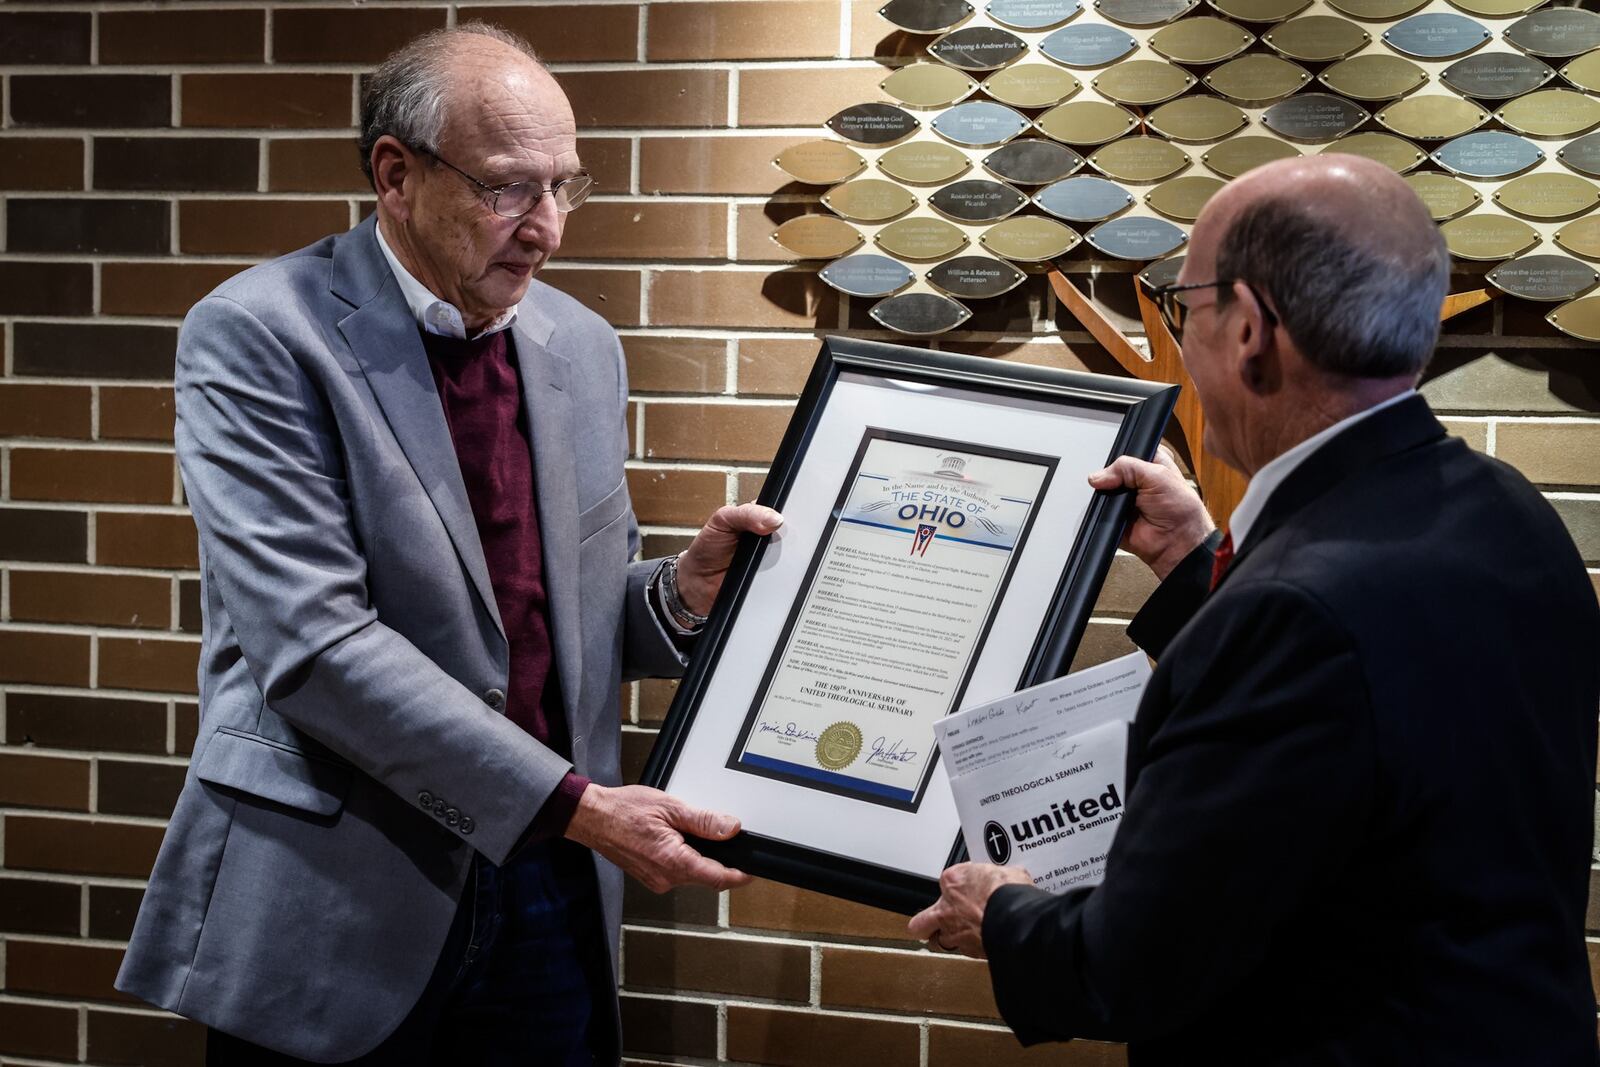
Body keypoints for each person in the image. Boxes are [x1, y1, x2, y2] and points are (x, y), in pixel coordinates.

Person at [114, 23, 781, 1066]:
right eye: (509, 189)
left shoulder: (580, 345)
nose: (547, 229)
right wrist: (577, 804)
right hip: (341, 889)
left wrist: (679, 596)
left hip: (548, 885)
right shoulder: (258, 334)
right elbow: (316, 647)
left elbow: (553, 618)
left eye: (565, 186)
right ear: (395, 172)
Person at [910, 154, 1600, 1063]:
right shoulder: (1509, 512)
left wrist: (1002, 913)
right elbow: (1364, 728)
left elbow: (1135, 965)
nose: (1185, 338)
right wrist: (1199, 569)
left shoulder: (1292, 611)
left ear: (1251, 332)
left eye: (1186, 306)